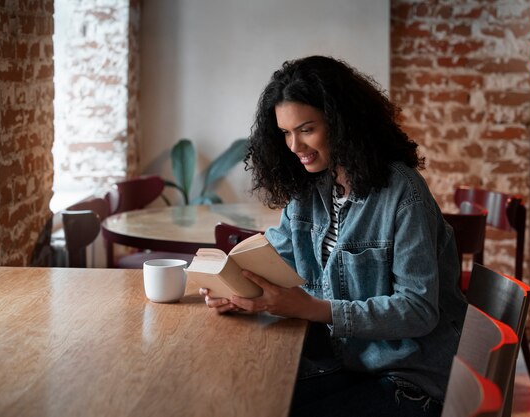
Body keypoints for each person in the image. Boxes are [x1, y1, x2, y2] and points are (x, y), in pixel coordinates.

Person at [200, 55, 467, 417]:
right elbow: (275, 255)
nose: (293, 146)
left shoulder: (404, 193)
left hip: (410, 379)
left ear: (343, 124)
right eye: (285, 133)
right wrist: (234, 287)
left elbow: (418, 310)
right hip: (348, 362)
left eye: (306, 129)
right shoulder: (311, 189)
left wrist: (311, 308)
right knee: (243, 397)